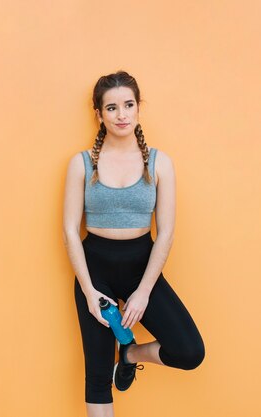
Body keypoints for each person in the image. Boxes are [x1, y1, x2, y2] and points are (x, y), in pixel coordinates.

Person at [62, 70, 205, 417]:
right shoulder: (82, 164)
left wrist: (143, 292)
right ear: (99, 114)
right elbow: (69, 229)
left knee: (189, 351)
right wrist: (88, 289)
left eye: (128, 105)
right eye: (112, 108)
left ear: (138, 108)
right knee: (96, 376)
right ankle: (115, 357)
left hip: (143, 266)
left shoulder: (160, 163)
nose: (121, 114)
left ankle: (128, 355)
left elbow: (166, 232)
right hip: (95, 271)